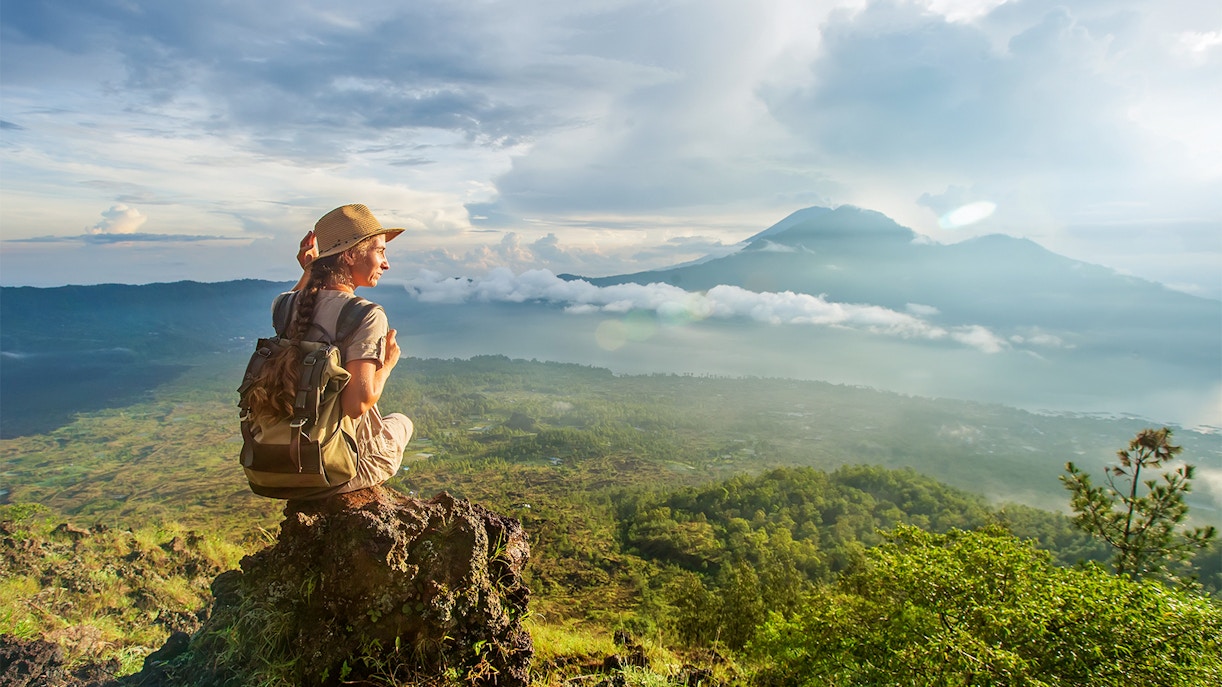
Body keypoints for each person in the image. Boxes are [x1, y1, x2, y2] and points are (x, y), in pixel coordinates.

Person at [245, 203, 413, 496]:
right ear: (350, 255)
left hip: (270, 465)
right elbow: (356, 404)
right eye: (380, 251)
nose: (386, 264)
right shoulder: (366, 315)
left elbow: (302, 300)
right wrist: (387, 365)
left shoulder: (283, 305)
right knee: (401, 423)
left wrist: (311, 269)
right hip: (330, 471)